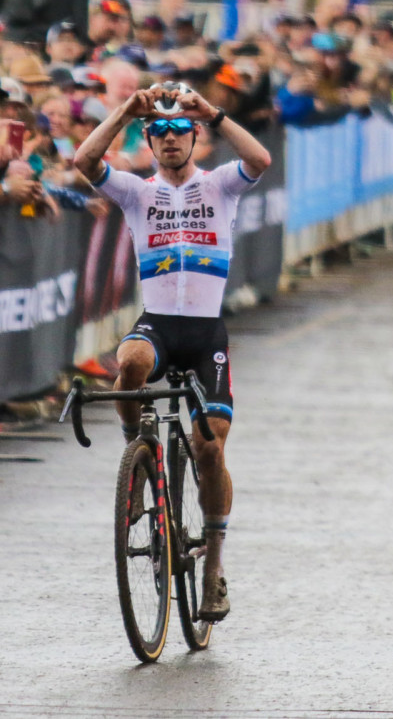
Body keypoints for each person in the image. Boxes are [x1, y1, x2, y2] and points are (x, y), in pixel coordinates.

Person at [73, 83, 271, 623]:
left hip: (206, 335)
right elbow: (84, 160)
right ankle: (138, 452)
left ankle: (213, 573)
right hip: (158, 324)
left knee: (210, 452)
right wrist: (124, 112)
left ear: (195, 137)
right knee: (130, 363)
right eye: (157, 133)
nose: (167, 140)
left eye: (179, 131)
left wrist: (213, 111)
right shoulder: (137, 193)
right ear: (150, 140)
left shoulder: (222, 185)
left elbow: (259, 157)